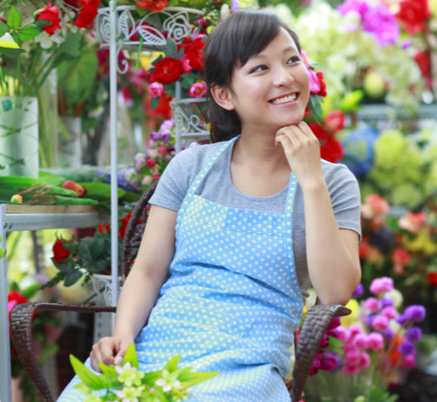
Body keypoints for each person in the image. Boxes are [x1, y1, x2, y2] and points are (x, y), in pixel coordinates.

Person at [57, 9, 362, 401]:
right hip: (157, 358)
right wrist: (121, 339)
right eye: (260, 68)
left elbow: (335, 291)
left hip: (245, 372)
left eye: (291, 60)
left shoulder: (333, 182)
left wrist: (311, 180)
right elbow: (148, 271)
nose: (284, 78)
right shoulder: (192, 166)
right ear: (223, 95)